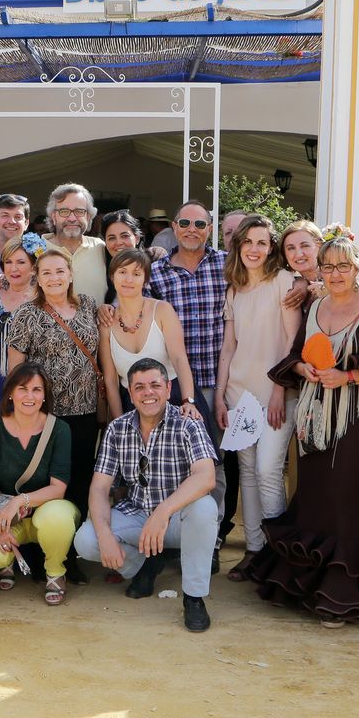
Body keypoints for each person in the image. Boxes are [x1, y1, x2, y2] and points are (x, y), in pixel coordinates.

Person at [250, 227, 359, 626]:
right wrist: (302, 368)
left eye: (343, 266)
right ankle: (306, 587)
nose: (335, 274)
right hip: (313, 419)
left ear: (357, 267)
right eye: (328, 267)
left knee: (346, 499)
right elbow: (294, 354)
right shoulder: (314, 308)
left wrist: (347, 377)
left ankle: (342, 596)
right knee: (312, 496)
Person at [75, 358, 218, 632]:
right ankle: (144, 567)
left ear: (167, 387)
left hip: (176, 519)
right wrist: (104, 533)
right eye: (139, 387)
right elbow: (99, 487)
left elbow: (206, 476)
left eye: (154, 385)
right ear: (130, 393)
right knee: (87, 540)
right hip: (138, 514)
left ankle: (194, 597)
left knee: (205, 509)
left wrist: (163, 511)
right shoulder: (118, 429)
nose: (147, 393)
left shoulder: (188, 423)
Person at [6, 242, 102, 581]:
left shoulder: (90, 305)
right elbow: (14, 370)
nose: (54, 276)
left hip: (85, 411)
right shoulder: (27, 314)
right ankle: (38, 552)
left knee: (79, 481)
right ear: (37, 277)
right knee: (45, 483)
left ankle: (70, 555)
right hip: (46, 416)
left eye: (60, 270)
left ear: (72, 275)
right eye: (46, 272)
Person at [215, 215, 301, 579]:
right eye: (247, 241)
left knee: (268, 471)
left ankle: (278, 554)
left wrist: (280, 390)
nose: (254, 248)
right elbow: (228, 347)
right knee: (248, 473)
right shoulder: (233, 289)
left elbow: (290, 343)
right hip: (239, 396)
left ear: (271, 248)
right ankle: (254, 550)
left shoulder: (284, 282)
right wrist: (220, 396)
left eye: (262, 242)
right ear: (238, 246)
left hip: (275, 394)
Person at [148, 200, 231, 523]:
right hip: (172, 384)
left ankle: (210, 535)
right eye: (185, 224)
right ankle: (174, 534)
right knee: (172, 461)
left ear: (210, 229)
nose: (192, 230)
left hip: (214, 382)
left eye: (200, 225)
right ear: (173, 227)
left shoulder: (228, 265)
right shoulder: (156, 271)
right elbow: (132, 307)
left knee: (214, 464)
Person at [0, 361, 77, 605]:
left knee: (57, 517)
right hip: (9, 517)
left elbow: (58, 489)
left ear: (44, 396)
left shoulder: (59, 430)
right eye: (22, 389)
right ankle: (6, 562)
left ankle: (55, 573)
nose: (30, 396)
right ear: (10, 393)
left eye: (37, 390)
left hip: (48, 510)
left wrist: (20, 499)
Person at [99, 248, 194, 416]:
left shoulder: (162, 310)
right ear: (112, 276)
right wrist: (119, 422)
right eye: (122, 272)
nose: (128, 279)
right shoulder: (106, 323)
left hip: (176, 401)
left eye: (136, 274)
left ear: (145, 280)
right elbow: (111, 380)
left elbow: (179, 358)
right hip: (132, 407)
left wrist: (188, 401)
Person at [0, 239, 36, 428]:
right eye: (8, 262)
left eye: (20, 262)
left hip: (30, 384)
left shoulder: (40, 299)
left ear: (33, 266)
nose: (13, 268)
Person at [46, 183, 108, 303]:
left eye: (79, 211)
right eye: (64, 211)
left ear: (89, 217)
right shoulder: (35, 249)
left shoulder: (101, 247)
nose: (72, 218)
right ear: (54, 216)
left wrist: (154, 252)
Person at [278, 219, 324, 310]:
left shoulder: (338, 278)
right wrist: (303, 282)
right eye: (291, 248)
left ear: (320, 246)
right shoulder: (287, 283)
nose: (298, 254)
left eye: (305, 246)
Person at [0, 193, 29, 277]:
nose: (11, 221)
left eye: (18, 217)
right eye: (5, 216)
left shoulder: (36, 255)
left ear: (26, 223)